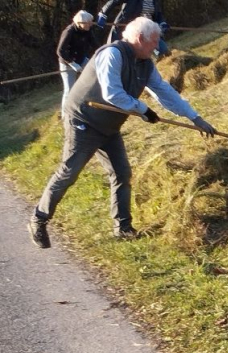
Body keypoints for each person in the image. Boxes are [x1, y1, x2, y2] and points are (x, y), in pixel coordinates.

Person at [28, 18, 216, 249]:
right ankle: (39, 218)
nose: (156, 48)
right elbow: (112, 94)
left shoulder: (145, 63)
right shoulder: (112, 54)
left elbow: (163, 91)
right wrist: (143, 110)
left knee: (121, 173)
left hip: (109, 126)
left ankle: (123, 228)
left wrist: (194, 117)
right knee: (70, 172)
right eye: (154, 43)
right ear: (140, 39)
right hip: (83, 120)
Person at [97, 0, 171, 57]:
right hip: (131, 30)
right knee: (127, 55)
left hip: (148, 30)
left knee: (163, 51)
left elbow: (158, 13)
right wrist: (103, 13)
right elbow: (115, 1)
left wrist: (162, 22)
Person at [56, 10, 97, 117]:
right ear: (80, 23)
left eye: (91, 22)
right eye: (88, 22)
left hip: (82, 59)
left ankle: (91, 105)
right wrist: (72, 63)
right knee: (69, 89)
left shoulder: (87, 30)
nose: (91, 24)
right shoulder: (69, 32)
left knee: (95, 77)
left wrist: (101, 53)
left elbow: (95, 44)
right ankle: (66, 115)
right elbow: (60, 51)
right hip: (67, 63)